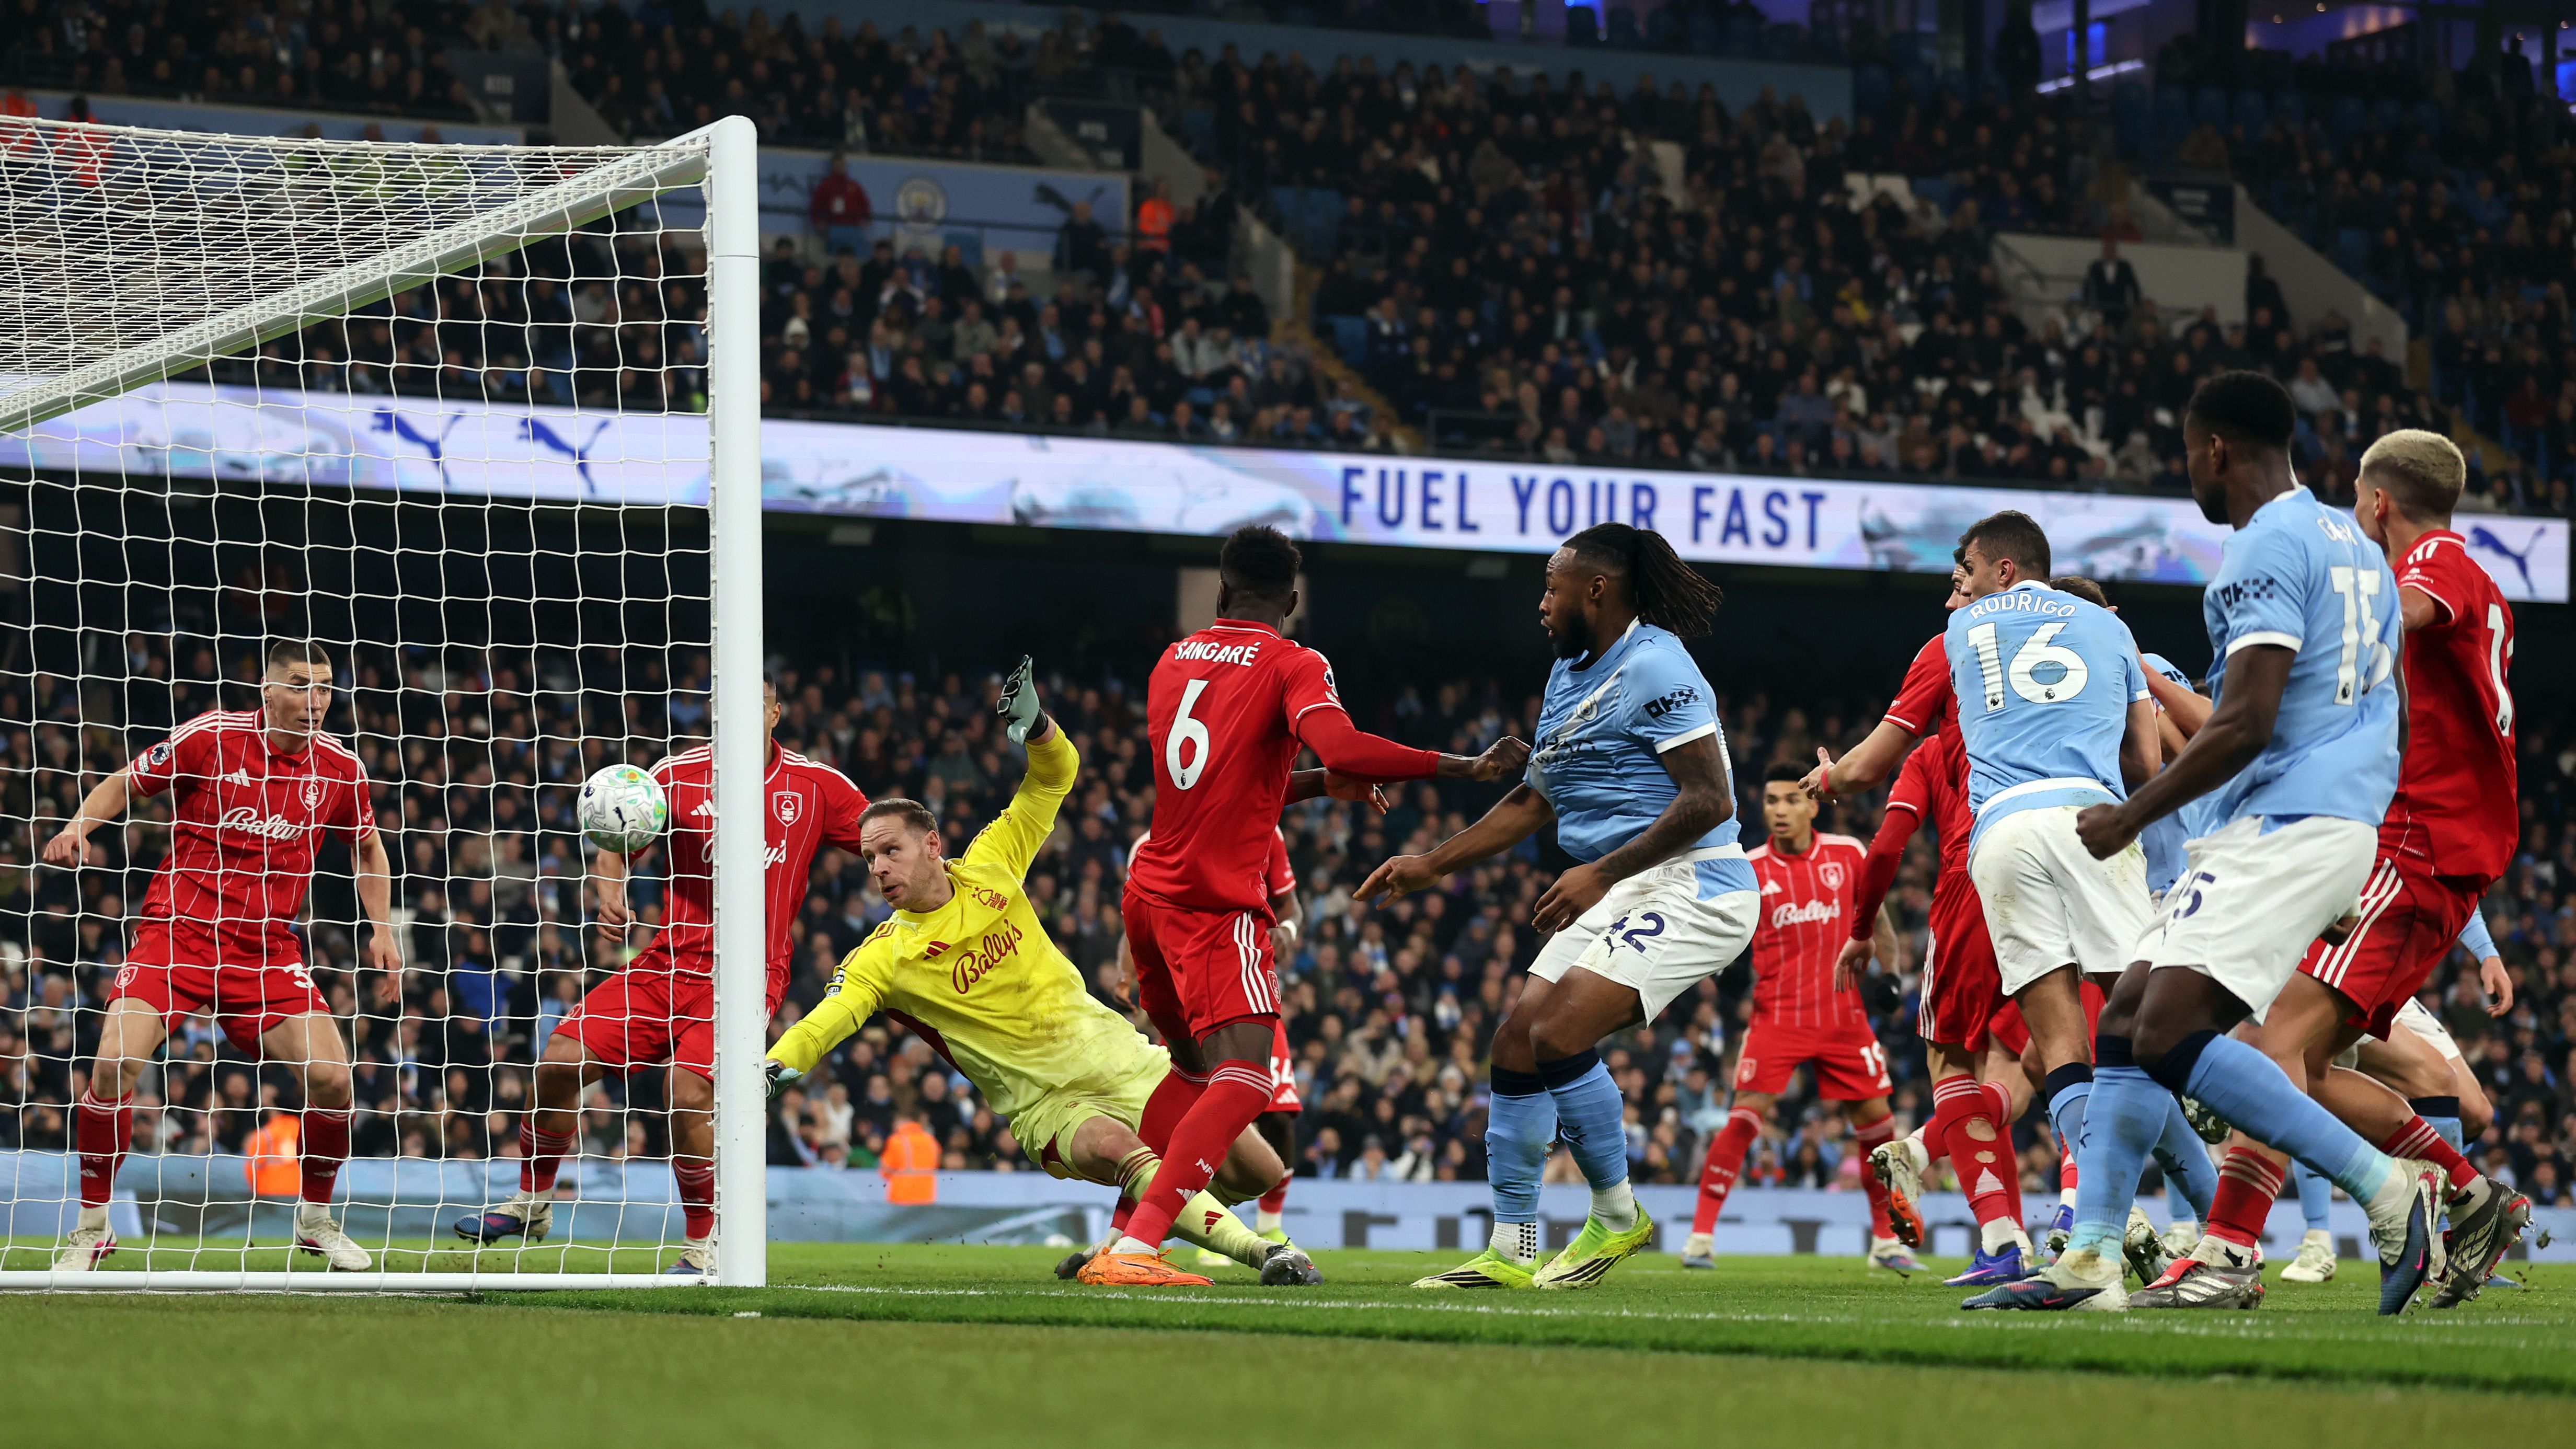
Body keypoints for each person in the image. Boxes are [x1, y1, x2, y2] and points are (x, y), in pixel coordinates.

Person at [1974, 371, 2440, 1314]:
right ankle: (2091, 1258)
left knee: (2166, 1027)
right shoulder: (2353, 546)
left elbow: (2243, 723)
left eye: (2188, 450)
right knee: (2124, 1021)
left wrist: (2129, 814)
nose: (2187, 467)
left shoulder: (2260, 550)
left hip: (2289, 821)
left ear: (2215, 450)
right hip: (2311, 819)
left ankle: (2387, 1192)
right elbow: (2382, 711)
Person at [2136, 428, 2530, 1309]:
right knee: (2296, 1064)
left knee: (2264, 1045)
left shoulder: (2437, 562)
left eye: (2356, 493)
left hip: (2411, 843)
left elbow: (2416, 607)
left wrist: (2327, 616)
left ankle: (2227, 1255)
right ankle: (2466, 1196)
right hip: (2404, 846)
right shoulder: (2465, 573)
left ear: (2376, 501)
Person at [767, 662, 1316, 1286]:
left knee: (1258, 1171)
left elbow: (1055, 776)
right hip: (1047, 1104)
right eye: (868, 859)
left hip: (1118, 1056)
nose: (878, 869)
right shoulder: (884, 956)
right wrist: (773, 1067)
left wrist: (1038, 728)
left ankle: (1112, 1247)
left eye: (890, 851)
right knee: (1115, 1148)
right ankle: (1264, 1255)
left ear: (931, 845)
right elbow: (824, 1021)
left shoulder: (993, 863)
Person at [1096, 526, 1525, 1287]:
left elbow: (1217, 786)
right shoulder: (1292, 661)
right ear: (1291, 603)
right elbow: (1348, 745)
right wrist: (1465, 765)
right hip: (1213, 906)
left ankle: (1123, 1233)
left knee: (1194, 1076)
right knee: (1249, 1081)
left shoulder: (1175, 660)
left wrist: (1320, 783)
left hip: (1149, 898)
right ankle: (1139, 1251)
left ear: (1223, 592)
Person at [1363, 523, 1758, 1291]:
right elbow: (1533, 801)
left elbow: (1710, 799)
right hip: (1622, 884)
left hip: (1696, 883)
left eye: (1552, 587)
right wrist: (1431, 865)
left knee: (1557, 1032)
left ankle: (1617, 1216)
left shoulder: (1656, 666)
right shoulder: (1569, 676)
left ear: (1597, 590)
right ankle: (1513, 1248)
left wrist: (1601, 873)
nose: (1542, 603)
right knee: (1515, 1043)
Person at [454, 677, 868, 1276]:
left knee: (686, 1094)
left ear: (776, 714)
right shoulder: (675, 775)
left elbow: (884, 837)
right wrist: (610, 893)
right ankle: (532, 1203)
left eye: (751, 707)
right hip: (666, 962)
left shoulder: (815, 786)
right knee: (558, 1061)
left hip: (747, 977)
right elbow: (614, 841)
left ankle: (704, 1244)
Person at [47, 640, 399, 1272]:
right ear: (265, 690)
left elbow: (368, 848)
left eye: (323, 688)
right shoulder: (210, 737)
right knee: (112, 1066)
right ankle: (93, 1227)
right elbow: (128, 781)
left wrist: (382, 929)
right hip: (177, 933)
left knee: (335, 1081)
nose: (314, 701)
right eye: (298, 685)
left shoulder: (341, 769)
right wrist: (78, 825)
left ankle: (315, 1219)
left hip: (264, 949)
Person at [1681, 762, 1911, 1274]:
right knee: (1743, 1118)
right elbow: (1723, 940)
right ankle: (1698, 1238)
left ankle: (1885, 1243)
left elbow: (1879, 923)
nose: (1779, 810)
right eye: (1770, 801)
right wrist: (1726, 971)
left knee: (1878, 1125)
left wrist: (1890, 975)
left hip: (1841, 1014)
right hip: (1776, 1016)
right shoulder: (1748, 867)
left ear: (1812, 805)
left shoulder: (1847, 854)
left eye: (1790, 800)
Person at [810, 152, 873, 256]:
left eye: (842, 165)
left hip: (854, 227)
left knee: (858, 256)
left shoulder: (854, 185)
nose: (839, 168)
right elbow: (815, 206)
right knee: (836, 257)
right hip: (834, 226)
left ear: (845, 166)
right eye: (837, 165)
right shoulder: (825, 185)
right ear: (832, 167)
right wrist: (817, 222)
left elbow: (865, 204)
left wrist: (866, 219)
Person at [2082, 238, 2142, 332]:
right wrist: (2086, 302)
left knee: (2120, 331)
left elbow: (2133, 285)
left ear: (2116, 252)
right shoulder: (2095, 266)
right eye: (2107, 251)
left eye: (2112, 251)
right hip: (2101, 306)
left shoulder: (2125, 267)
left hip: (2120, 306)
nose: (2109, 253)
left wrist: (2137, 303)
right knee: (2101, 330)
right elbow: (2088, 285)